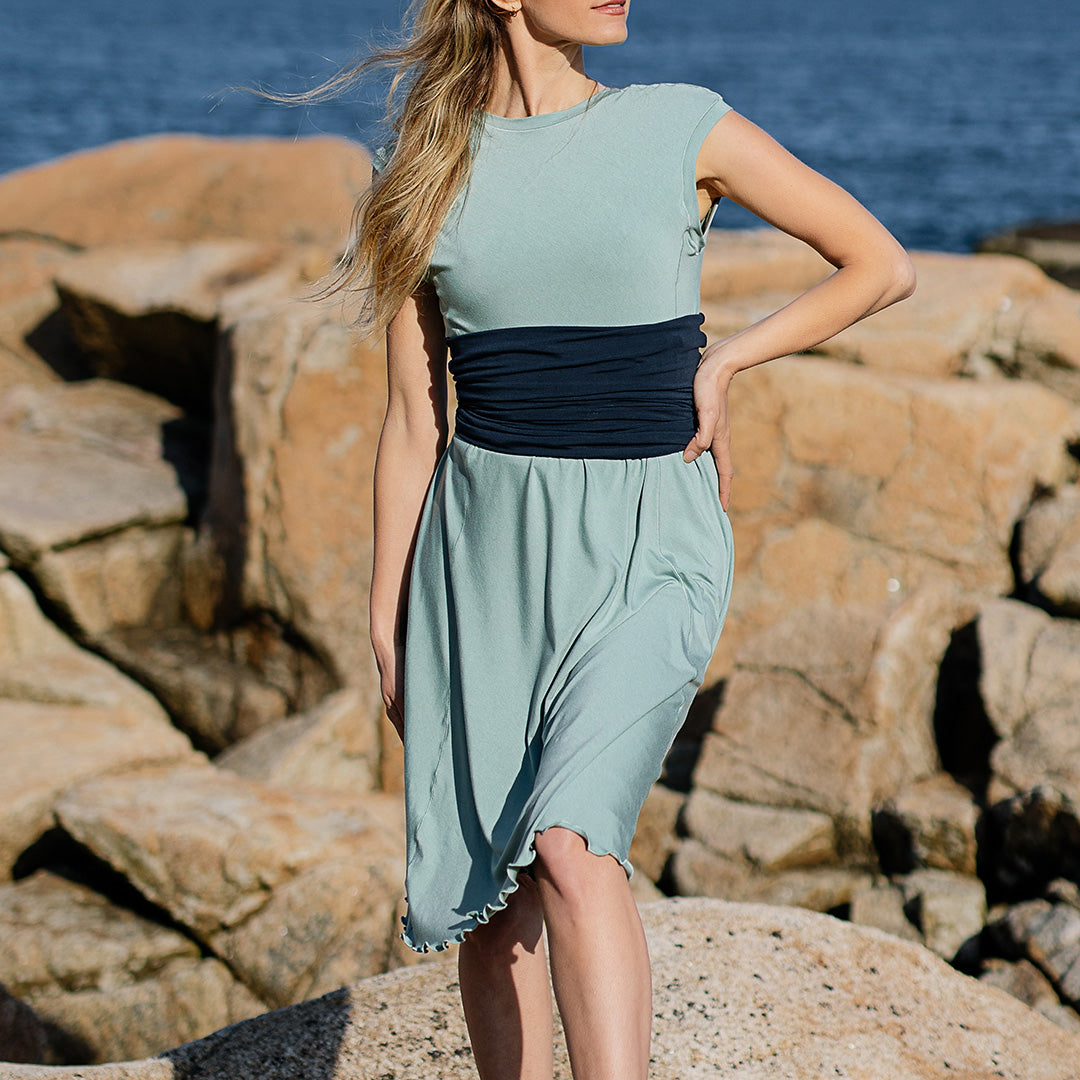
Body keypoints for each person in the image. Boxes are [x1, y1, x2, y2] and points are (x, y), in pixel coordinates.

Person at [319, 1, 916, 1077]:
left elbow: (877, 261)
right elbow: (416, 419)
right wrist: (386, 613)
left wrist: (727, 358)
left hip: (653, 544)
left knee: (570, 845)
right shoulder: (426, 169)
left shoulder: (684, 129)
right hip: (483, 566)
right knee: (496, 907)